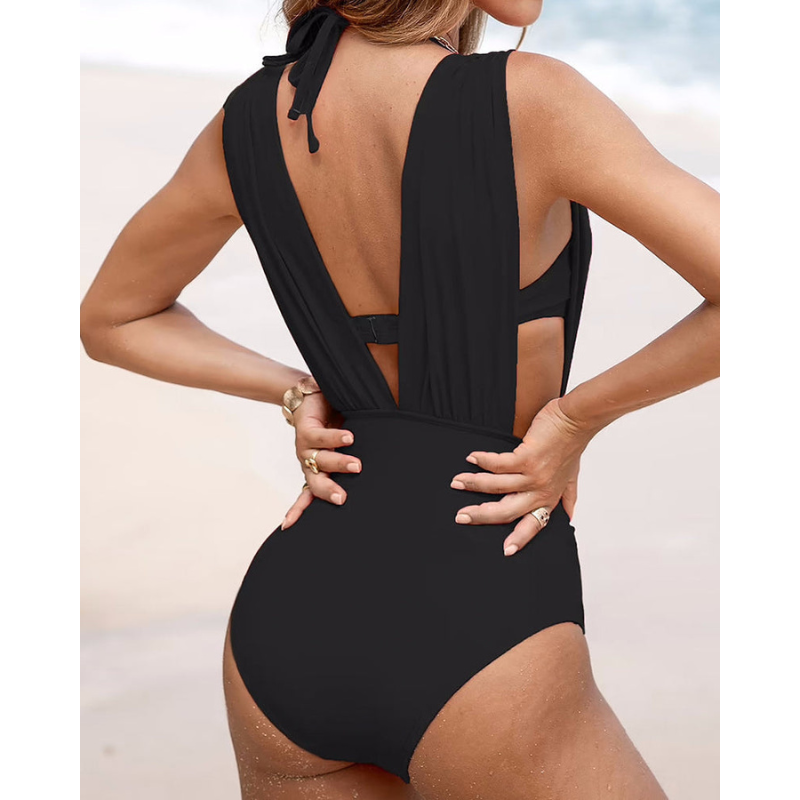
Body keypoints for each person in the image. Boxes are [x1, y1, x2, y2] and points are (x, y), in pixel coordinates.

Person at [80, 1, 719, 797]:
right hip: (481, 609)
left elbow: (113, 318)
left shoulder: (249, 120)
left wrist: (297, 392)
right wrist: (573, 418)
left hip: (291, 624)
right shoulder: (533, 99)